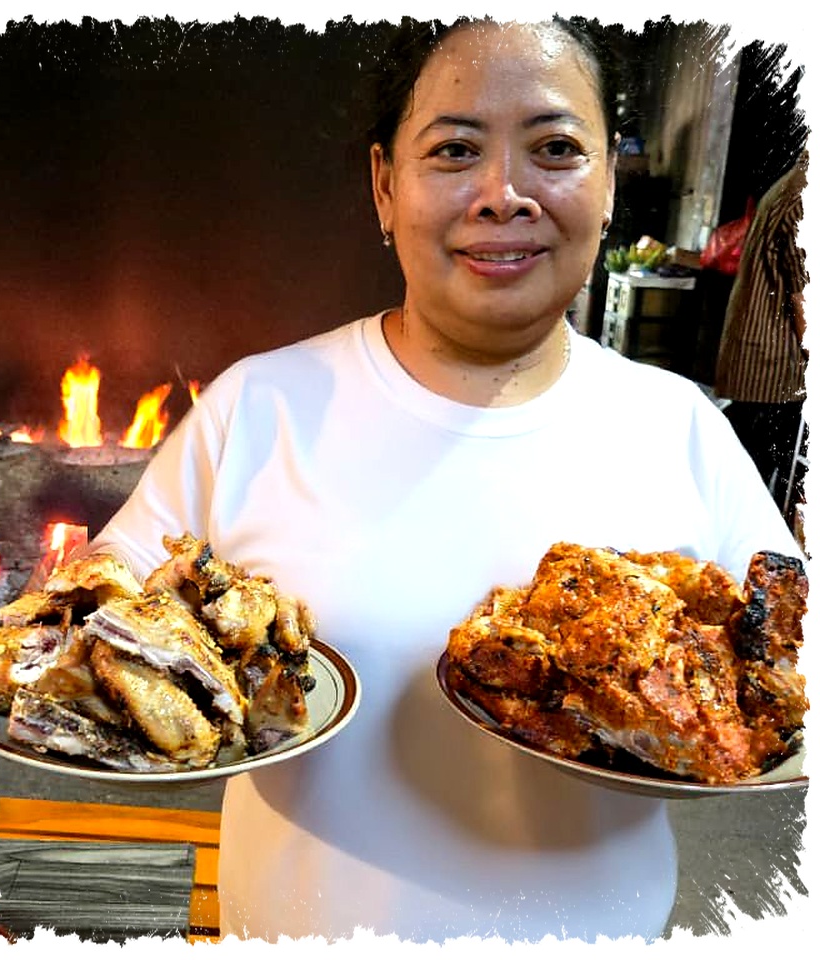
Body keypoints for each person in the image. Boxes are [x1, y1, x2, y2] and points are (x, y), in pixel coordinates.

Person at [86, 17, 802, 942]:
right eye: (456, 150)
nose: (504, 196)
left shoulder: (679, 425)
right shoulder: (259, 407)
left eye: (555, 149)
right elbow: (90, 615)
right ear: (386, 187)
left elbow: (793, 675)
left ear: (610, 184)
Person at [715, 150, 809, 532]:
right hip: (775, 371)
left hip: (766, 366)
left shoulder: (796, 185)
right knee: (763, 487)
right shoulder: (804, 194)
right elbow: (806, 297)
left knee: (750, 474)